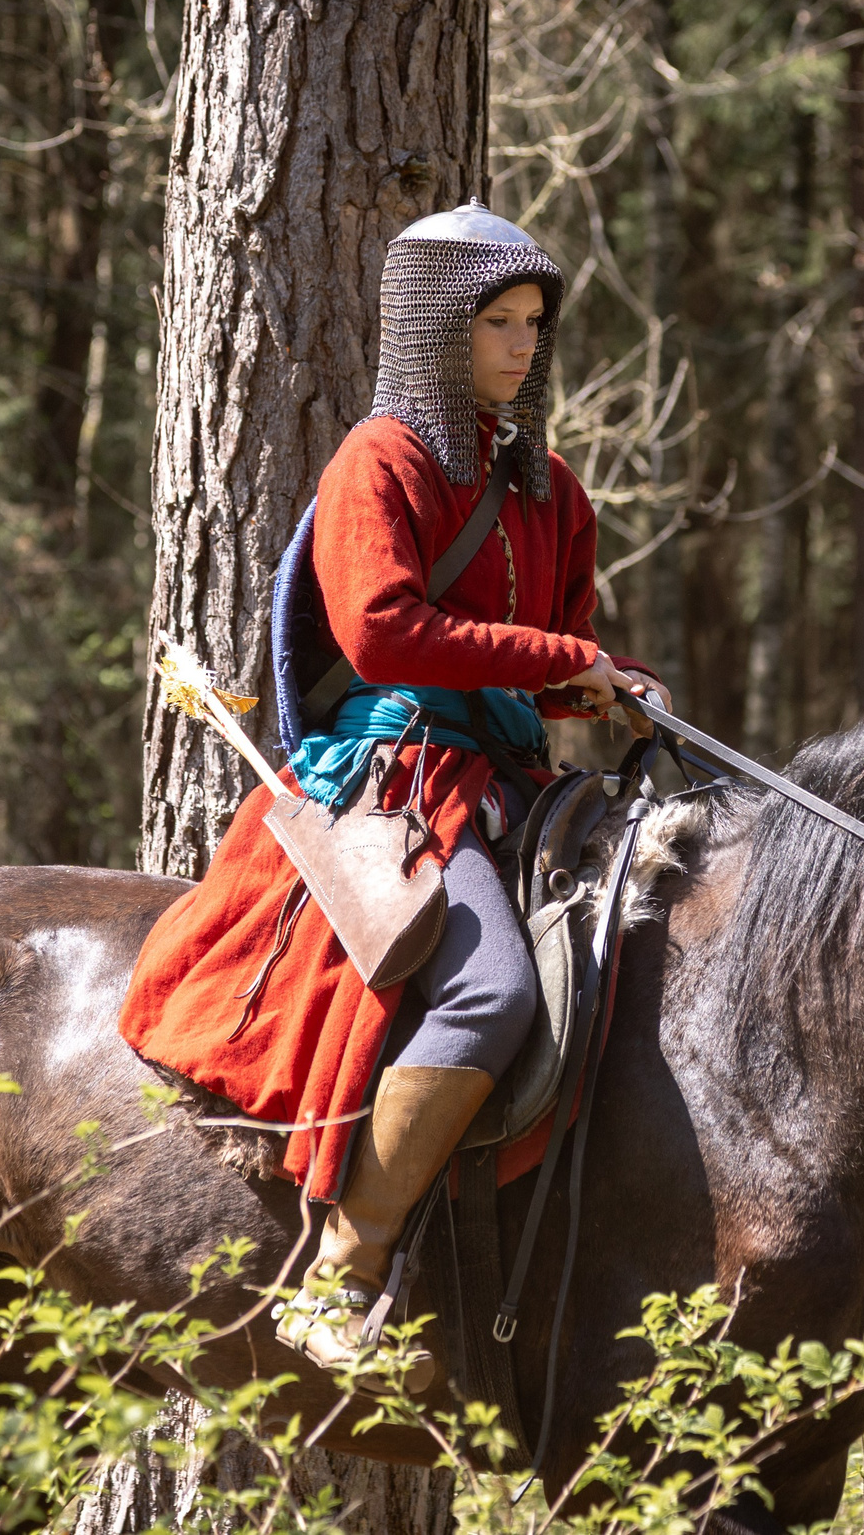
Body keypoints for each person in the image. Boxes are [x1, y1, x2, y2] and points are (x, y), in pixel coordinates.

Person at [118, 201, 664, 1385]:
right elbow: (382, 633)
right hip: (404, 778)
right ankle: (342, 1276)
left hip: (521, 780)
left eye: (532, 324)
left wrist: (609, 691)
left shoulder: (552, 487)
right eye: (495, 322)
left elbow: (561, 652)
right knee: (490, 996)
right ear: (434, 329)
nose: (521, 346)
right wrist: (556, 667)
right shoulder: (383, 459)